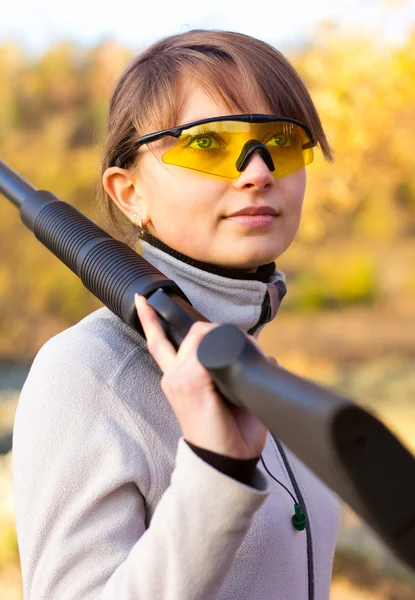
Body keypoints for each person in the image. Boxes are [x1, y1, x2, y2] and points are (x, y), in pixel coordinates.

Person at [12, 29, 340, 599]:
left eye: (282, 141)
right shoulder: (85, 374)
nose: (259, 171)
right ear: (128, 192)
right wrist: (216, 470)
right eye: (208, 143)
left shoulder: (278, 378)